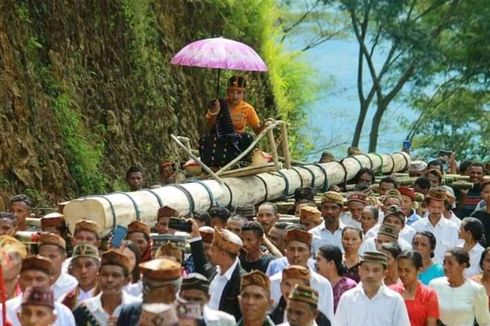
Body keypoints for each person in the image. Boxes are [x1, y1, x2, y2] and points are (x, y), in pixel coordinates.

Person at [200, 76, 267, 168]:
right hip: (220, 142)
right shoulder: (218, 104)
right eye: (232, 91)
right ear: (227, 91)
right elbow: (208, 128)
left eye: (239, 92)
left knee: (248, 137)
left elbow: (257, 131)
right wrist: (215, 112)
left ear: (244, 93)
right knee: (205, 139)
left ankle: (240, 163)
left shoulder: (248, 109)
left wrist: (265, 125)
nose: (235, 96)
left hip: (236, 145)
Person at [269, 229, 335, 322]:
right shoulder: (273, 282)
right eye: (292, 249)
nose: (296, 255)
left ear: (310, 254)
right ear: (285, 252)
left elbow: (327, 319)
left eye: (301, 250)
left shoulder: (322, 284)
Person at [334, 251, 410, 325]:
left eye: (376, 270)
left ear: (384, 273)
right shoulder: (348, 298)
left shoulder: (395, 300)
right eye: (366, 269)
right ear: (359, 271)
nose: (370, 275)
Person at [73, 250, 140, 325]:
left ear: (127, 280)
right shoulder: (85, 310)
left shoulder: (137, 309)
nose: (109, 280)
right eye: (105, 275)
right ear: (98, 278)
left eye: (115, 275)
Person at [6, 255, 76, 326]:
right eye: (28, 279)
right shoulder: (4, 311)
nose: (33, 284)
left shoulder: (63, 313)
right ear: (19, 281)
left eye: (39, 279)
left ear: (50, 282)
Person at [429, 247, 490, 326]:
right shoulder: (434, 284)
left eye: (450, 263)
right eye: (444, 262)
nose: (445, 267)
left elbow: (485, 322)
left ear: (463, 266)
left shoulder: (476, 289)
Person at [117, 258, 182, 326]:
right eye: (143, 286)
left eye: (148, 288)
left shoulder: (185, 317)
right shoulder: (130, 312)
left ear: (170, 292)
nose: (143, 291)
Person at [390, 251, 439, 326]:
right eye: (400, 270)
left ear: (419, 270)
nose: (403, 274)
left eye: (407, 271)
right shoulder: (391, 291)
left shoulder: (429, 295)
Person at [411, 187, 460, 264]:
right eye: (433, 207)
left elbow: (457, 254)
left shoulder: (453, 228)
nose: (436, 211)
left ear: (445, 207)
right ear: (427, 206)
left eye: (439, 207)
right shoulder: (416, 226)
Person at [208, 227, 245, 320]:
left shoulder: (242, 281)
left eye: (212, 250)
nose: (209, 253)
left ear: (223, 254)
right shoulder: (213, 271)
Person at [37, 232, 78, 301]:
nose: (47, 260)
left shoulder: (71, 285)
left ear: (64, 257)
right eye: (43, 256)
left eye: (52, 257)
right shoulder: (33, 281)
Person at [316, 245, 356, 311]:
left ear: (331, 263)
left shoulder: (349, 286)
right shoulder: (316, 284)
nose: (315, 263)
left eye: (318, 259)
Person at [62, 243, 100, 310]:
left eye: (88, 265)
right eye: (78, 266)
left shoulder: (108, 297)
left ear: (98, 268)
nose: (83, 271)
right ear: (71, 270)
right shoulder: (66, 300)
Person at [0, 236, 26, 300]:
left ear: (21, 263)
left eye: (10, 258)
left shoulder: (28, 288)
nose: (4, 263)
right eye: (1, 258)